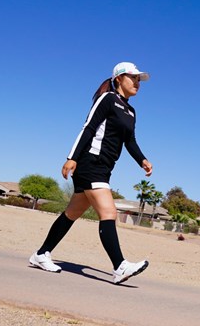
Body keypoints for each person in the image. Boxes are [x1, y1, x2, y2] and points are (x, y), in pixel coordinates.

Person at [29, 62, 153, 284]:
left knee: (72, 213)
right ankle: (120, 267)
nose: (137, 82)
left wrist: (141, 160)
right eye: (133, 77)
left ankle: (41, 254)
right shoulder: (107, 99)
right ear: (118, 79)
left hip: (105, 167)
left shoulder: (131, 112)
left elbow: (129, 141)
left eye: (139, 79)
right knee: (108, 212)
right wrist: (72, 157)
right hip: (90, 161)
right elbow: (88, 127)